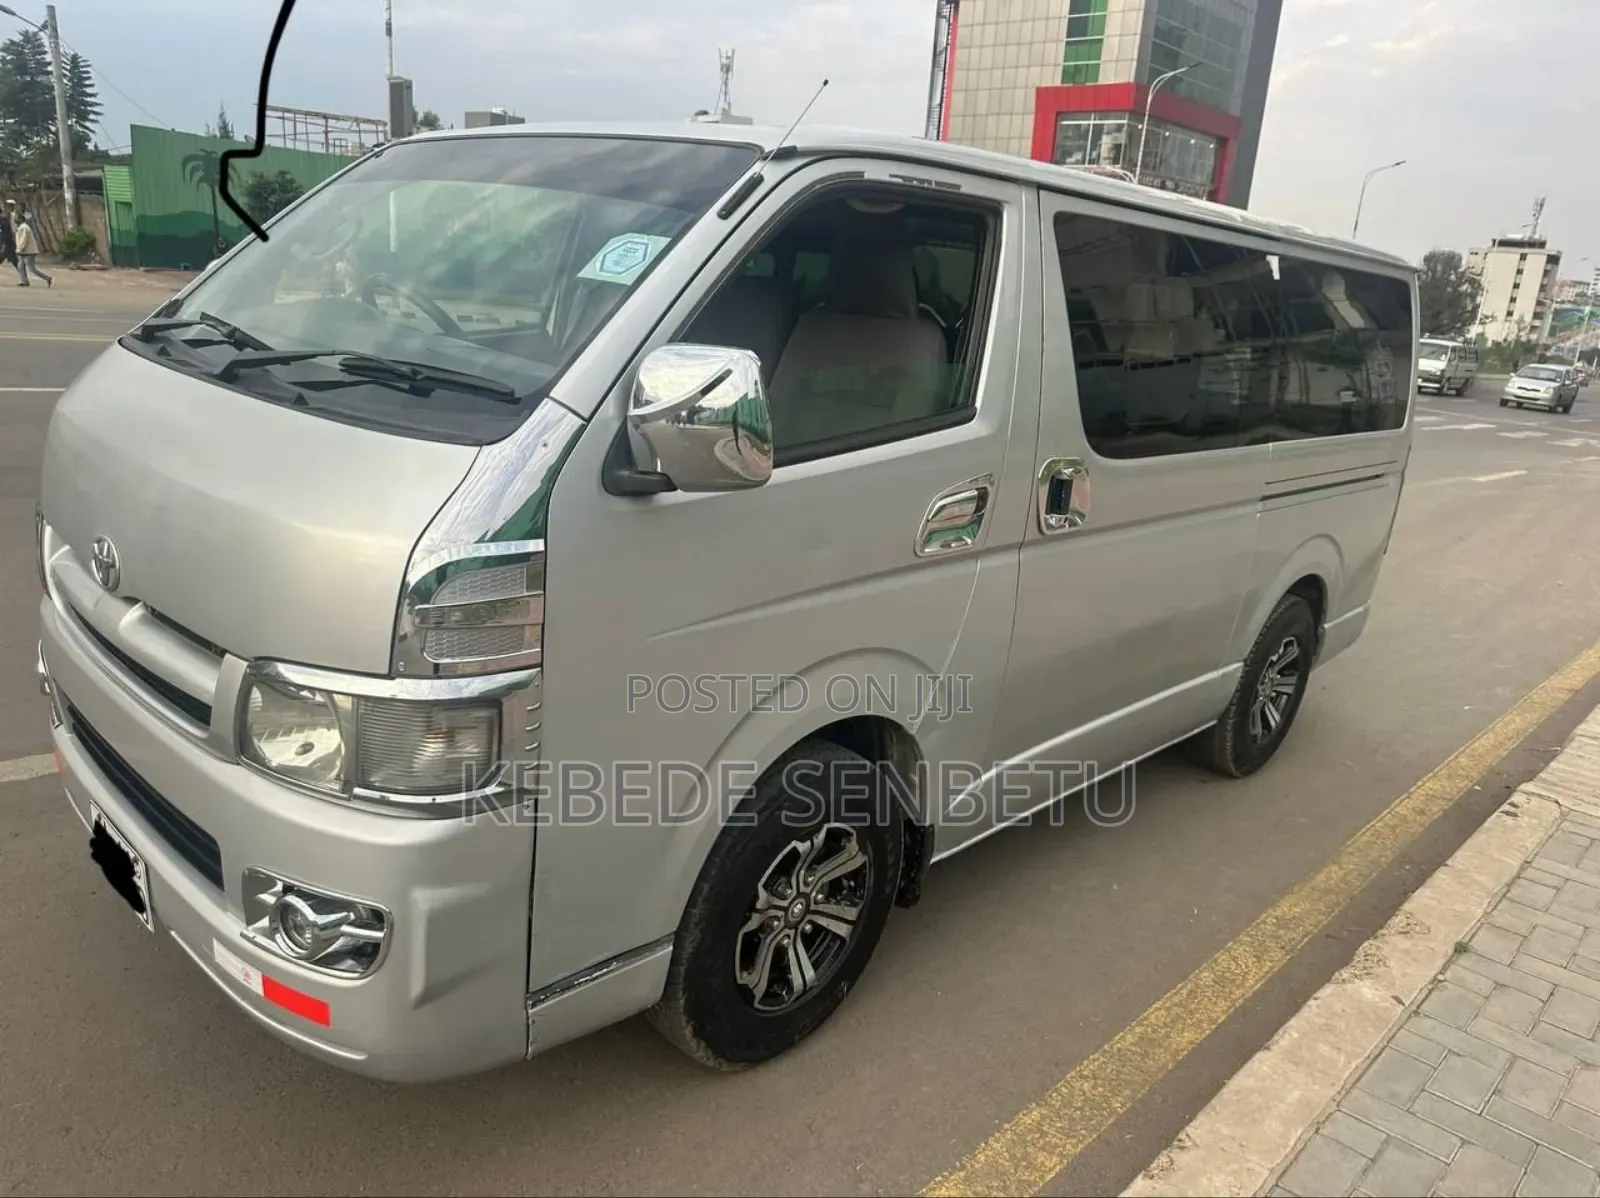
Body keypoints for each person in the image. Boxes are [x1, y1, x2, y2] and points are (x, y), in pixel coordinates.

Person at [13, 209, 53, 288]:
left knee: (32, 268)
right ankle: (24, 281)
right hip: (24, 251)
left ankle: (47, 278)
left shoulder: (24, 227)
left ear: (21, 219)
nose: (15, 219)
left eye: (17, 218)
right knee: (20, 265)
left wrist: (20, 249)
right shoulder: (21, 227)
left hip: (28, 251)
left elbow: (24, 239)